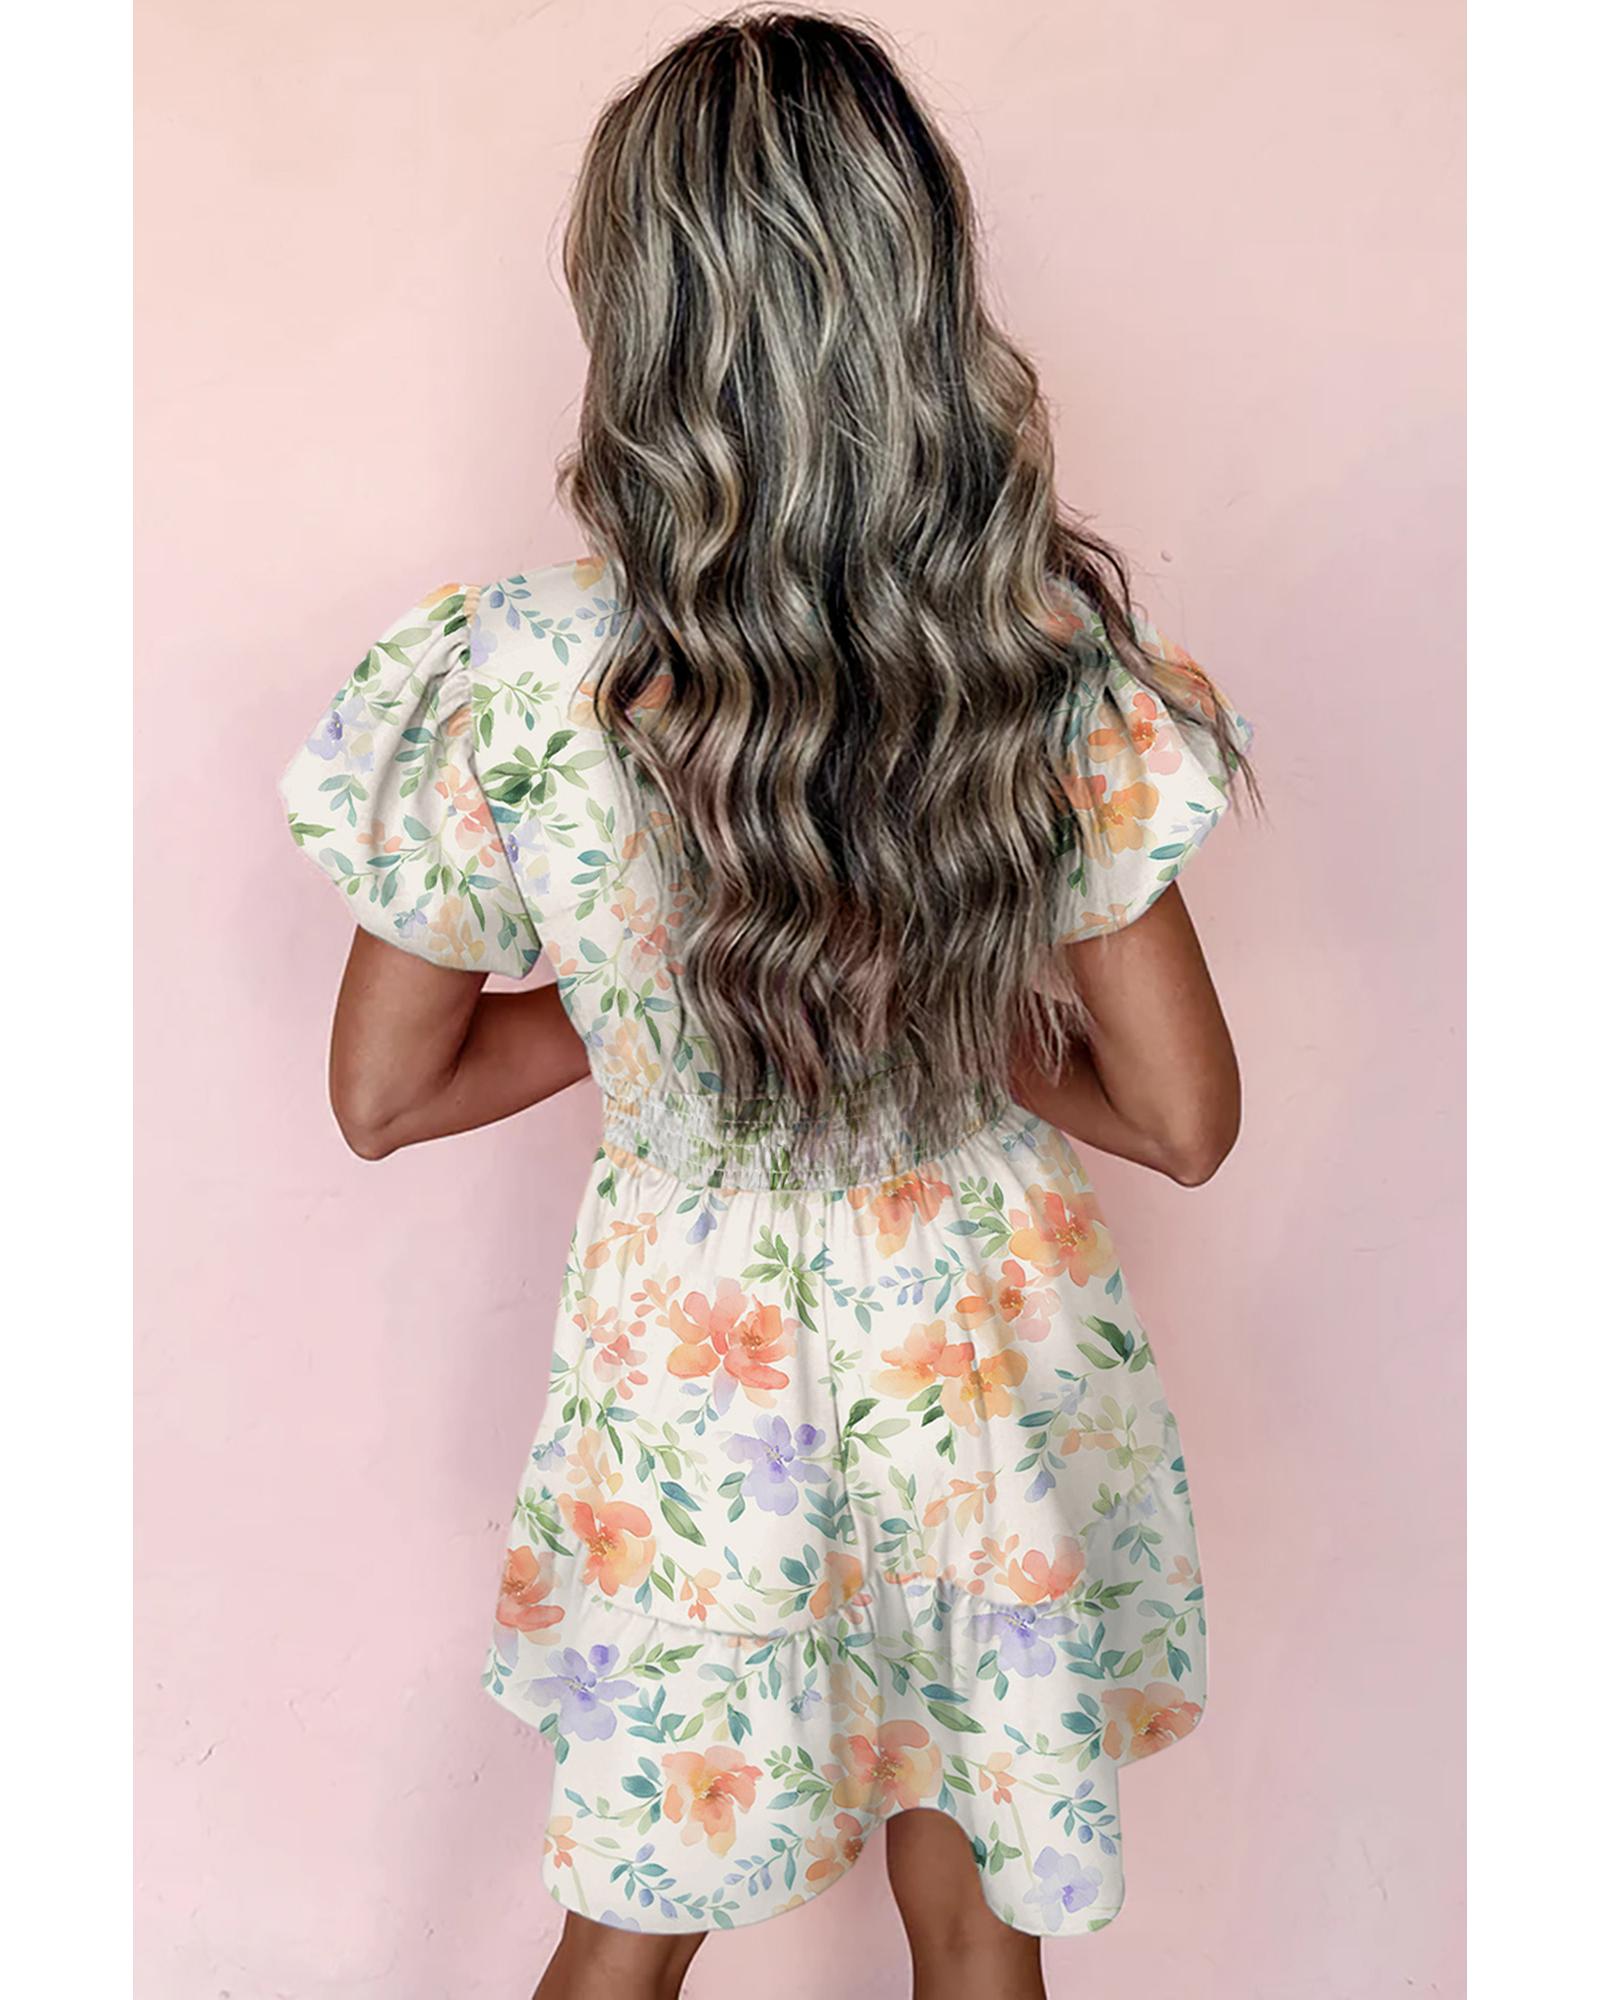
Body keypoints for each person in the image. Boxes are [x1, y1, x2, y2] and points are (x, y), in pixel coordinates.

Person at [280, 11, 1255, 1997]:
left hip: (688, 1374)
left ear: (632, 315)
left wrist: (659, 1013)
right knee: (976, 1923)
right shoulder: (1037, 661)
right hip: (975, 1339)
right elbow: (1180, 1118)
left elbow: (386, 1092)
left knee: (629, 1921)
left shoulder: (507, 675)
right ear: (920, 294)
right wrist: (930, 1001)